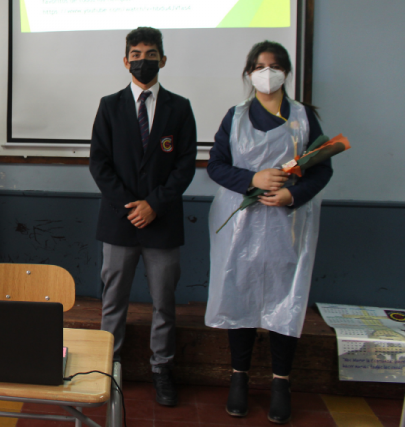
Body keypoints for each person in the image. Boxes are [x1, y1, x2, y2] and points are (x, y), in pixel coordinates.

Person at [206, 41, 333, 424]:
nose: (267, 72)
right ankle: (238, 378)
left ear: (286, 72)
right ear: (249, 73)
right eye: (260, 66)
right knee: (240, 297)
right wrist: (252, 179)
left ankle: (281, 382)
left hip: (287, 226)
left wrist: (293, 194)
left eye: (275, 65)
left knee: (285, 300)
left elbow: (322, 169)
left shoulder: (304, 118)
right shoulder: (236, 116)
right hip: (240, 227)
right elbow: (216, 165)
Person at [89, 27, 197, 407]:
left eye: (151, 54)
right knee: (113, 299)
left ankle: (161, 369)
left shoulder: (179, 107)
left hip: (162, 222)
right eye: (136, 53)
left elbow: (185, 166)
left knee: (163, 302)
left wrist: (154, 204)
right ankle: (109, 366)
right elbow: (99, 164)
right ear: (125, 61)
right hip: (119, 222)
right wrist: (132, 206)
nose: (143, 60)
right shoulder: (109, 105)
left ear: (163, 60)